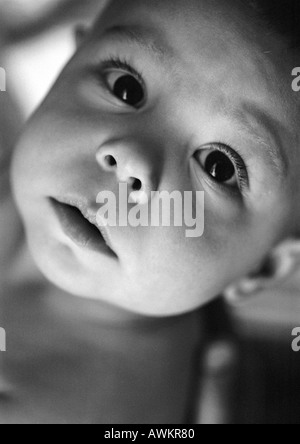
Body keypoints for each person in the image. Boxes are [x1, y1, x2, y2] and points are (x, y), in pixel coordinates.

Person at [1, 0, 300, 424]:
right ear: (65, 66)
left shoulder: (93, 406)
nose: (133, 160)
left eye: (218, 167)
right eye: (126, 88)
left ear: (262, 267)